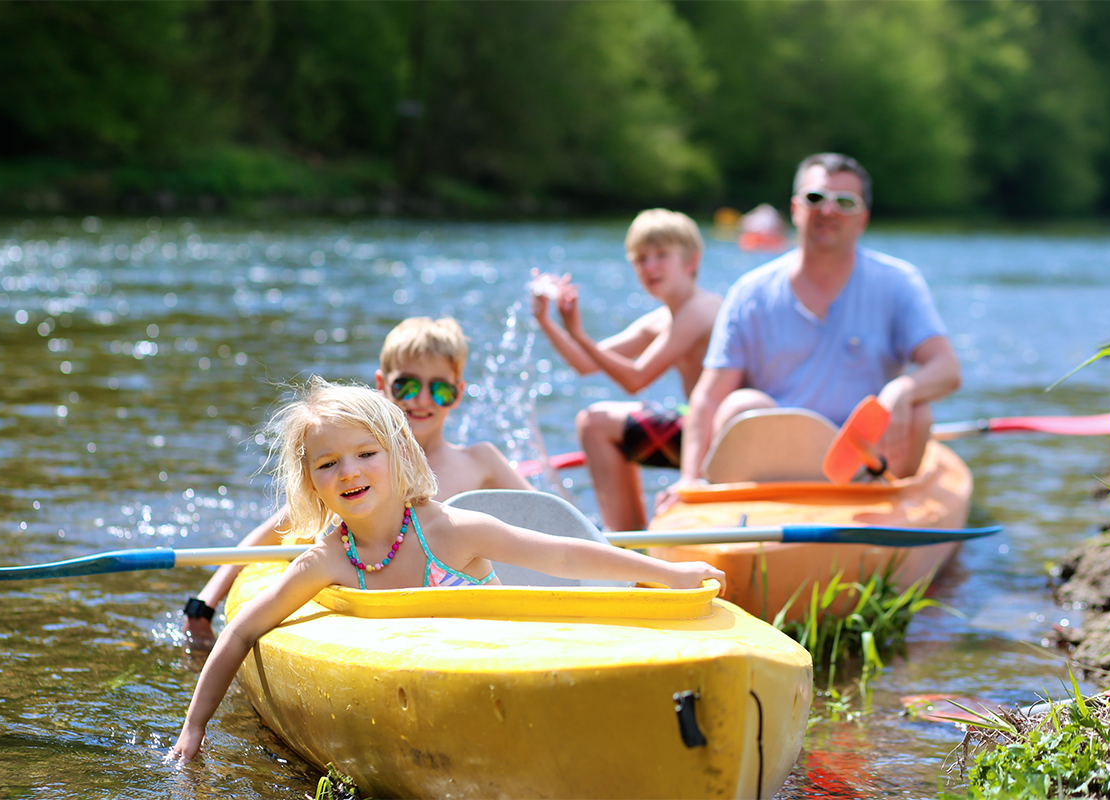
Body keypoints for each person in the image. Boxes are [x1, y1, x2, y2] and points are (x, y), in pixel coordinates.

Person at [168, 381, 725, 761]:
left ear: (398, 454)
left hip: (511, 673)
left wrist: (665, 574)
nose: (350, 471)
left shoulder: (449, 531)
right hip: (430, 702)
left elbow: (564, 554)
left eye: (366, 453)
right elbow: (242, 630)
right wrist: (195, 727)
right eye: (328, 463)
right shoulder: (330, 560)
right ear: (311, 482)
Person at [181, 317, 533, 645]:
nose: (422, 399)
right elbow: (274, 531)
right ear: (382, 385)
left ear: (458, 393)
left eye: (440, 390)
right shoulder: (348, 473)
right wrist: (206, 602)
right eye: (407, 385)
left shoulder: (480, 461)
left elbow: (550, 519)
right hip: (372, 607)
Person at [659, 153, 961, 511]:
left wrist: (902, 389)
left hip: (863, 466)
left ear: (862, 219)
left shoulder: (898, 283)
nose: (828, 211)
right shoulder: (750, 292)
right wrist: (689, 478)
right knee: (741, 404)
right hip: (770, 470)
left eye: (845, 202)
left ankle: (887, 516)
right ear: (795, 209)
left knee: (919, 410)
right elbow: (709, 398)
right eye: (816, 198)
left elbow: (947, 369)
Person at [530, 209, 722, 532]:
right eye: (640, 259)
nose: (649, 267)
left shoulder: (701, 308)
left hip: (721, 433)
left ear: (691, 261)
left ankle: (627, 544)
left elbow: (635, 379)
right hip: (697, 429)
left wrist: (578, 333)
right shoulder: (662, 318)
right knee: (594, 423)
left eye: (661, 255)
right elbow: (585, 363)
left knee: (596, 423)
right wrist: (546, 321)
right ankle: (629, 545)